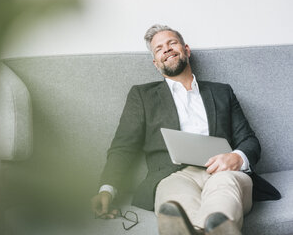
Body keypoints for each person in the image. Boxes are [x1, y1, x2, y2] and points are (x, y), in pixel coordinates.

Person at [91, 24, 262, 234]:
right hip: (173, 176)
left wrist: (236, 157)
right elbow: (123, 147)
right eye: (159, 48)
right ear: (156, 63)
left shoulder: (222, 92)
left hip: (224, 172)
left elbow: (249, 140)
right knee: (175, 203)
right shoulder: (142, 96)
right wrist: (107, 189)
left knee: (225, 190)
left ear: (186, 50)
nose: (167, 49)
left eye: (172, 43)